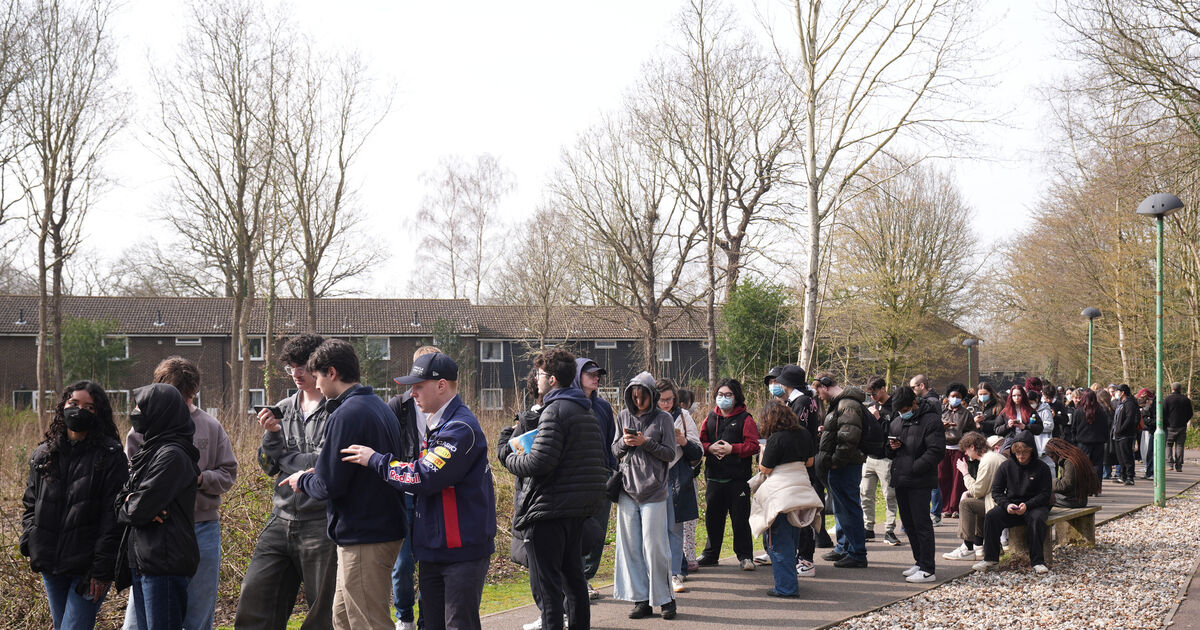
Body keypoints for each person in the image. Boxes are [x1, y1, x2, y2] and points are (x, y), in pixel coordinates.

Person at [339, 352, 497, 630]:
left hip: (461, 552)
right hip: (436, 550)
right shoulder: (440, 425)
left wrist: (375, 459)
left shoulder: (460, 429)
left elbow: (422, 476)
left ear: (441, 386)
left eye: (418, 386)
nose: (412, 393)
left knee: (458, 624)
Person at [280, 339, 408, 630]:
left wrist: (304, 478)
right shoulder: (377, 406)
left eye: (318, 376)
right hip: (376, 528)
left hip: (365, 534)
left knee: (368, 622)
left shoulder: (344, 414)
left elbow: (329, 486)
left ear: (332, 373)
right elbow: (346, 470)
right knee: (342, 619)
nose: (317, 384)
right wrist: (322, 471)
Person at [497, 348, 607, 630]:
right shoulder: (586, 410)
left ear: (553, 379)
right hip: (576, 513)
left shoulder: (555, 411)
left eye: (541, 374)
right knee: (574, 583)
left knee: (549, 594)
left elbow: (540, 462)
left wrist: (506, 455)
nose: (537, 378)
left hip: (549, 514)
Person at [123, 358, 238, 630]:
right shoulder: (141, 428)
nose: (184, 405)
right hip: (155, 530)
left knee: (198, 614)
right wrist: (142, 501)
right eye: (176, 397)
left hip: (202, 527)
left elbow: (228, 473)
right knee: (138, 620)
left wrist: (199, 479)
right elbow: (127, 475)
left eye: (188, 398)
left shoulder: (210, 426)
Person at [235, 334, 337, 630]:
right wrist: (271, 436)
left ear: (320, 366)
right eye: (291, 367)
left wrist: (288, 461)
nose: (296, 373)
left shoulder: (337, 409)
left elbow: (327, 465)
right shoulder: (282, 407)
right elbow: (268, 466)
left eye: (302, 366)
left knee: (323, 614)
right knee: (254, 601)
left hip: (322, 523)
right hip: (280, 519)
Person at [21, 381, 128, 630]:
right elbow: (30, 503)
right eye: (74, 404)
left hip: (88, 569)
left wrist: (102, 570)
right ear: (63, 406)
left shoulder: (110, 456)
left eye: (89, 407)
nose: (79, 410)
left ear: (98, 413)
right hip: (51, 564)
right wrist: (31, 540)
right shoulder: (44, 455)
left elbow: (113, 516)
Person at [115, 384, 201, 630]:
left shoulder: (172, 455)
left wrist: (132, 504)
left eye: (141, 407)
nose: (135, 412)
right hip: (143, 559)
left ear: (161, 412)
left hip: (164, 561)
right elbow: (121, 501)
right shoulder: (149, 451)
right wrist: (130, 503)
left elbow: (136, 510)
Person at [611, 372, 677, 620]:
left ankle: (666, 599)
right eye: (634, 397)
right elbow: (615, 450)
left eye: (643, 397)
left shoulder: (664, 419)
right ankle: (641, 599)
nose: (638, 402)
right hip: (628, 490)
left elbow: (670, 454)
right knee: (630, 549)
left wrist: (645, 442)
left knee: (655, 548)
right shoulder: (623, 416)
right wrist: (627, 443)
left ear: (652, 396)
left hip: (654, 490)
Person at [389, 345, 441, 630]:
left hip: (432, 492)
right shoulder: (399, 405)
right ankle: (404, 617)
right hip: (406, 491)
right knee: (403, 562)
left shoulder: (447, 408)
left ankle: (426, 618)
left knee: (431, 561)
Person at [748, 401, 822, 598]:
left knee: (778, 543)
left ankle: (786, 588)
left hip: (780, 495)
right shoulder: (805, 434)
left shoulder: (775, 439)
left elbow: (765, 469)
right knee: (792, 538)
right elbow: (809, 462)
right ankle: (789, 581)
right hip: (801, 492)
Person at [697, 378, 761, 571]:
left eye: (728, 395)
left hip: (737, 479)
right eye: (720, 395)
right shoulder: (709, 418)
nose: (723, 398)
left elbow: (753, 445)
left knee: (740, 519)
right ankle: (710, 554)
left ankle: (745, 556)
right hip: (714, 477)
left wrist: (733, 449)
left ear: (736, 397)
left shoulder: (746, 419)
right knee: (713, 518)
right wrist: (710, 448)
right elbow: (699, 442)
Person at [886, 386, 944, 583]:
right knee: (909, 524)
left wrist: (914, 467)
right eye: (899, 412)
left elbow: (936, 450)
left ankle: (928, 567)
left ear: (913, 403)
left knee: (921, 523)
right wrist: (891, 447)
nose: (902, 414)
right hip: (901, 478)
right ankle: (919, 561)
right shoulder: (896, 422)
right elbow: (888, 450)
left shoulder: (931, 419)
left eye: (905, 410)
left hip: (920, 479)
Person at [973, 432, 1053, 574]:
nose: (1021, 456)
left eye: (1024, 453)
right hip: (1012, 505)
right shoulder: (1005, 467)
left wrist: (1028, 505)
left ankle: (1037, 561)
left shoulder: (1042, 468)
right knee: (992, 516)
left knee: (1037, 519)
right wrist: (1007, 505)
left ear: (1031, 451)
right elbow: (996, 492)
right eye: (1017, 453)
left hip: (1035, 506)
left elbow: (1045, 494)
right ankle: (991, 559)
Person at [776, 364, 833, 564]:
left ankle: (806, 558)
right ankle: (800, 554)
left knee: (802, 514)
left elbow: (797, 433)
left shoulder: (800, 402)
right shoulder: (804, 400)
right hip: (802, 462)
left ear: (787, 383)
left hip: (800, 464)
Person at [812, 373, 869, 569]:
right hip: (843, 464)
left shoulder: (847, 405)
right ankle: (846, 548)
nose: (819, 396)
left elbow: (849, 438)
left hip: (845, 465)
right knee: (843, 508)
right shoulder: (842, 404)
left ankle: (857, 553)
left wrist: (835, 461)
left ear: (825, 386)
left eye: (818, 391)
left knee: (849, 508)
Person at [573, 358, 617, 600]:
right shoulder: (569, 404)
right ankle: (576, 579)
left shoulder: (602, 407)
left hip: (602, 476)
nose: (595, 377)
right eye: (590, 373)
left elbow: (611, 441)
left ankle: (587, 578)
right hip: (577, 479)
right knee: (578, 531)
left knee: (597, 532)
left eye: (598, 374)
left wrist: (612, 471)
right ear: (578, 375)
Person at [655, 378, 702, 594]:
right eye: (661, 400)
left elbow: (698, 451)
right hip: (652, 477)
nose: (666, 404)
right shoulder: (647, 417)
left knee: (675, 528)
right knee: (654, 529)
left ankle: (675, 573)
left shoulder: (683, 417)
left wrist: (683, 441)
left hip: (676, 477)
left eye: (669, 400)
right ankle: (657, 572)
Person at [943, 431, 1005, 562]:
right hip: (1002, 501)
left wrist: (965, 473)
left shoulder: (987, 461)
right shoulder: (994, 457)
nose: (965, 454)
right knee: (975, 501)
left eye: (966, 450)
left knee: (966, 504)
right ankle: (979, 545)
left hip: (999, 505)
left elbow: (978, 491)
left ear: (972, 446)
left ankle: (967, 547)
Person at [862, 377, 900, 546]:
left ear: (883, 389)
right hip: (870, 457)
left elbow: (893, 431)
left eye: (874, 393)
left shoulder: (895, 407)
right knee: (865, 494)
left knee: (889, 496)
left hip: (886, 458)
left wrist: (878, 418)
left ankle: (889, 530)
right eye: (870, 394)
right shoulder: (872, 407)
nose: (872, 397)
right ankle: (868, 528)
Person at [937, 383, 971, 520]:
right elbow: (932, 427)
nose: (955, 398)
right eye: (952, 396)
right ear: (948, 397)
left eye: (958, 397)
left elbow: (971, 431)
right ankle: (945, 507)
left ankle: (956, 507)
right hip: (943, 448)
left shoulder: (966, 413)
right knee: (942, 478)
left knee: (958, 480)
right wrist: (942, 426)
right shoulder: (941, 411)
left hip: (958, 449)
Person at [1044, 438, 1101, 508]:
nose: (1052, 460)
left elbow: (1066, 485)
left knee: (1044, 497)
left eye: (1052, 457)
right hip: (1077, 498)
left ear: (1057, 452)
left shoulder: (1070, 462)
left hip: (1074, 501)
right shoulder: (1071, 457)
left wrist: (1047, 483)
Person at [1071, 389, 1111, 482]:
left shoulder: (1078, 412)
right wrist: (1105, 439)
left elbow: (1074, 428)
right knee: (1097, 465)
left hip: (1083, 442)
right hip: (1098, 442)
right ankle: (1096, 486)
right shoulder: (1102, 411)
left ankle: (1086, 486)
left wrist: (1074, 441)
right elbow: (1106, 427)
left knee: (1084, 466)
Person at [1112, 384, 1139, 485]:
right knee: (1120, 457)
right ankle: (1122, 475)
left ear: (1122, 392)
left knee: (1127, 456)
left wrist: (1121, 429)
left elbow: (1129, 418)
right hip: (1118, 434)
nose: (1116, 393)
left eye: (1118, 391)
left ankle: (1129, 476)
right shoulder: (1121, 403)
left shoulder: (1129, 403)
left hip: (1125, 434)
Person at [1164, 382, 1194, 472]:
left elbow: (1163, 412)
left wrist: (1166, 422)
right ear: (1180, 389)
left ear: (1172, 388)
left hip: (1169, 426)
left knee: (1168, 445)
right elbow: (1190, 413)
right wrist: (1184, 421)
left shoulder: (1167, 399)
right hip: (1181, 426)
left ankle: (1169, 464)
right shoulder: (1186, 400)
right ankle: (1179, 466)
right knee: (1180, 445)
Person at [1137, 388, 1156, 479]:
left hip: (1153, 430)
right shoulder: (1148, 408)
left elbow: (1153, 420)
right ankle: (1149, 472)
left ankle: (1151, 472)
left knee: (1151, 453)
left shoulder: (1156, 406)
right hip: (1149, 429)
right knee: (1148, 452)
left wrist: (1148, 420)